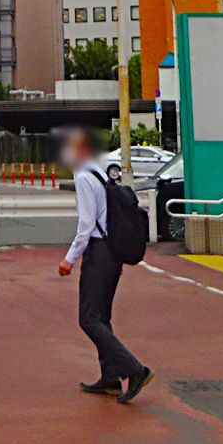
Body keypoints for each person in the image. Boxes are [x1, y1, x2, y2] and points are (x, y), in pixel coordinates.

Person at [57, 126, 153, 404]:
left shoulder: (84, 176)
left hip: (99, 252)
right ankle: (110, 377)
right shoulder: (98, 172)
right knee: (102, 318)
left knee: (88, 319)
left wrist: (69, 259)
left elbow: (87, 224)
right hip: (110, 252)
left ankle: (135, 370)